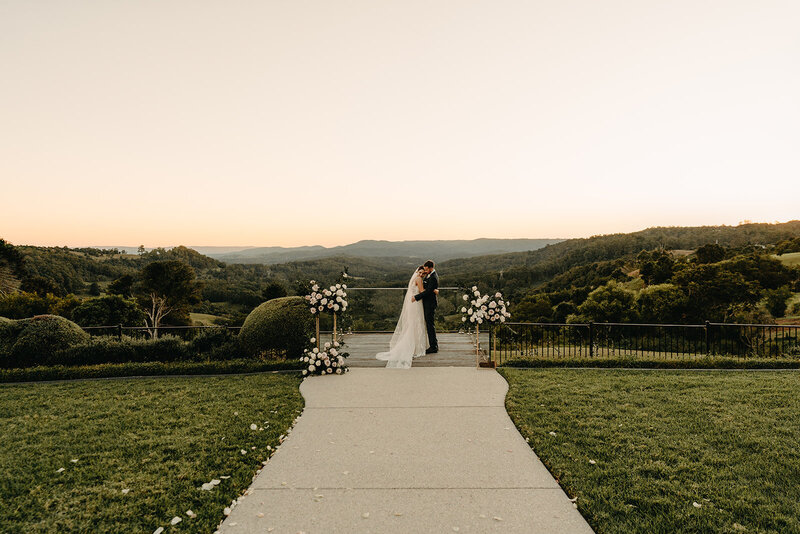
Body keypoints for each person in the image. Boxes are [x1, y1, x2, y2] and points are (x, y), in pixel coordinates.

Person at [375, 265, 438, 368]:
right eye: (420, 273)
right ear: (417, 272)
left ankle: (418, 344)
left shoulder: (416, 279)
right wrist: (434, 291)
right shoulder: (419, 279)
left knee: (413, 323)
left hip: (414, 303)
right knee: (417, 323)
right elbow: (423, 292)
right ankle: (417, 345)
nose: (421, 274)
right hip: (417, 303)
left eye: (423, 273)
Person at [414, 260, 439, 354]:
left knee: (430, 325)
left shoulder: (433, 277)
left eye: (426, 269)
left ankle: (433, 346)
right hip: (427, 303)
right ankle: (433, 344)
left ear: (430, 268)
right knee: (429, 324)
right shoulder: (429, 275)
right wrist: (434, 290)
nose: (425, 271)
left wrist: (416, 297)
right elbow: (428, 288)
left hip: (430, 304)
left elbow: (428, 291)